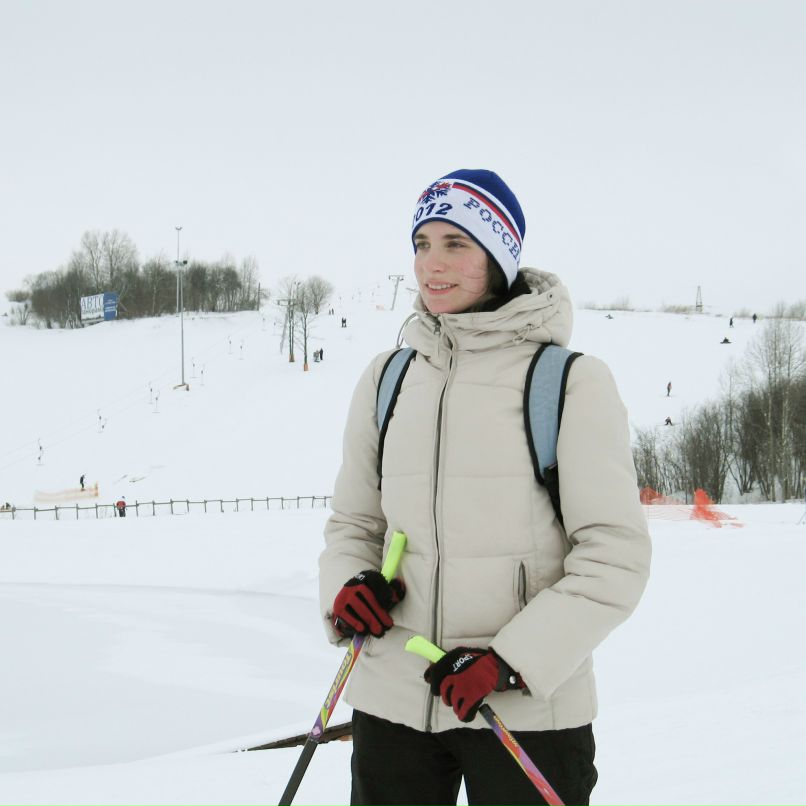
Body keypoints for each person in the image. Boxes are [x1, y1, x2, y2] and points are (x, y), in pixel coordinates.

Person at [319, 169, 651, 806]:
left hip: (525, 709)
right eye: (421, 243)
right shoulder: (388, 377)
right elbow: (353, 526)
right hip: (394, 702)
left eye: (456, 244)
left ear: (499, 259)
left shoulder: (567, 382)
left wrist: (508, 661)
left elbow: (614, 557)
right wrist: (347, 585)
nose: (431, 265)